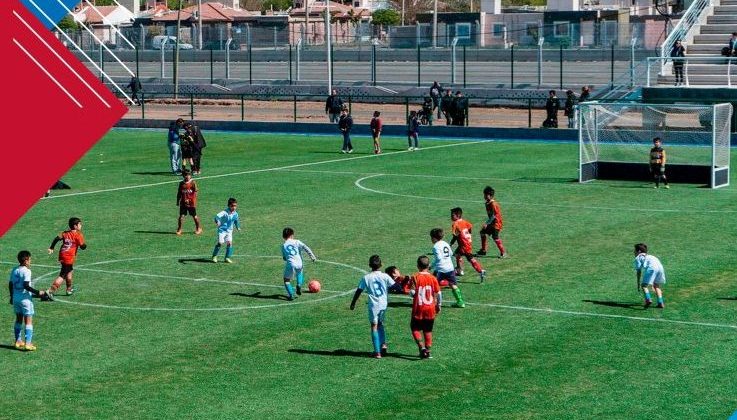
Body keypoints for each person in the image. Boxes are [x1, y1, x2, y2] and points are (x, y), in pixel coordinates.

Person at [349, 255, 395, 359]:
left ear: (369, 265)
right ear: (381, 265)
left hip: (374, 306)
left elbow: (359, 291)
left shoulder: (366, 277)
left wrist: (353, 303)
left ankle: (377, 352)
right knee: (381, 324)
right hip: (384, 304)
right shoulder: (385, 276)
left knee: (374, 326)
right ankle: (383, 344)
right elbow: (395, 286)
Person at [9, 251, 49, 351]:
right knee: (28, 321)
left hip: (16, 298)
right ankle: (28, 343)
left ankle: (18, 341)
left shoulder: (14, 270)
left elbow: (10, 284)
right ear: (26, 260)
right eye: (30, 259)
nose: (30, 261)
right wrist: (38, 292)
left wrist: (11, 296)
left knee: (18, 319)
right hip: (25, 300)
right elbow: (26, 286)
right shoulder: (27, 271)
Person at [409, 255, 441, 359]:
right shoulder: (433, 278)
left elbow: (412, 292)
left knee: (415, 328)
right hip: (430, 308)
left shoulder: (415, 277)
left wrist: (413, 293)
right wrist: (438, 305)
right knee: (428, 330)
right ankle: (428, 351)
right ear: (428, 266)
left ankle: (421, 347)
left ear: (418, 266)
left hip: (419, 308)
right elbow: (439, 294)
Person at [47, 217, 86, 296]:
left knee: (70, 270)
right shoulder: (78, 235)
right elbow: (82, 247)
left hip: (62, 255)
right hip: (69, 257)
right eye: (79, 224)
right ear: (75, 226)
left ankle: (69, 289)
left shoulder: (65, 233)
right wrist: (84, 245)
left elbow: (57, 238)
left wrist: (52, 247)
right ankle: (50, 291)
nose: (81, 225)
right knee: (63, 275)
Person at [450, 207, 486, 282]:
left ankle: (480, 271)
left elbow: (455, 236)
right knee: (458, 255)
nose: (451, 216)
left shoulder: (455, 224)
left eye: (452, 215)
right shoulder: (464, 222)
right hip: (467, 243)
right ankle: (460, 270)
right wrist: (469, 236)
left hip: (463, 245)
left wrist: (451, 243)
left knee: (469, 258)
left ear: (458, 215)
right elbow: (470, 227)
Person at [430, 228, 464, 308]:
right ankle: (460, 302)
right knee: (453, 285)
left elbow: (438, 258)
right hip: (450, 268)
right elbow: (451, 253)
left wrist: (431, 266)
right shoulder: (445, 243)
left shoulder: (435, 246)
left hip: (440, 270)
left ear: (434, 238)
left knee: (433, 285)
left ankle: (433, 302)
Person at [281, 227, 317, 301]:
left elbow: (284, 258)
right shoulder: (297, 242)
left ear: (283, 236)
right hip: (299, 262)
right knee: (299, 273)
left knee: (286, 280)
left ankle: (291, 295)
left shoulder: (283, 246)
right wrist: (312, 256)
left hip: (291, 263)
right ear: (292, 235)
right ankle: (299, 285)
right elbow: (306, 247)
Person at [477, 186, 507, 259]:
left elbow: (493, 216)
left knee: (495, 237)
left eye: (486, 195)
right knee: (482, 232)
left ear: (490, 195)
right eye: (484, 195)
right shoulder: (487, 203)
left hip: (496, 223)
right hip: (492, 223)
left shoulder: (493, 204)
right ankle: (483, 250)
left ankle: (503, 253)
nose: (484, 196)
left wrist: (487, 223)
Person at [633, 243, 666, 309]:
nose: (634, 252)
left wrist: (638, 283)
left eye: (635, 250)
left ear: (639, 251)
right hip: (660, 268)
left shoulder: (638, 258)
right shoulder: (651, 256)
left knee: (644, 285)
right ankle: (660, 302)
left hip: (652, 268)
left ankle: (648, 299)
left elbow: (638, 271)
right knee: (656, 285)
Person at [212, 198, 241, 263]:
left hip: (229, 231)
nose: (234, 207)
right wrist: (217, 221)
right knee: (220, 243)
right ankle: (214, 256)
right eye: (232, 206)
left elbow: (236, 221)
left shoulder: (235, 214)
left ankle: (227, 257)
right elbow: (216, 217)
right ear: (229, 205)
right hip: (222, 230)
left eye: (235, 206)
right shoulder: (224, 212)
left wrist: (238, 227)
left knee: (229, 243)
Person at [176, 169, 202, 236]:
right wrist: (177, 201)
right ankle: (179, 229)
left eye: (189, 175)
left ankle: (198, 228)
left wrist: (190, 199)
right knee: (181, 216)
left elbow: (196, 192)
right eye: (186, 175)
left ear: (190, 176)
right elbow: (179, 193)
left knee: (194, 216)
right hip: (183, 203)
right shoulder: (181, 183)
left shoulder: (192, 183)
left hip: (191, 204)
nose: (187, 176)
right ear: (183, 176)